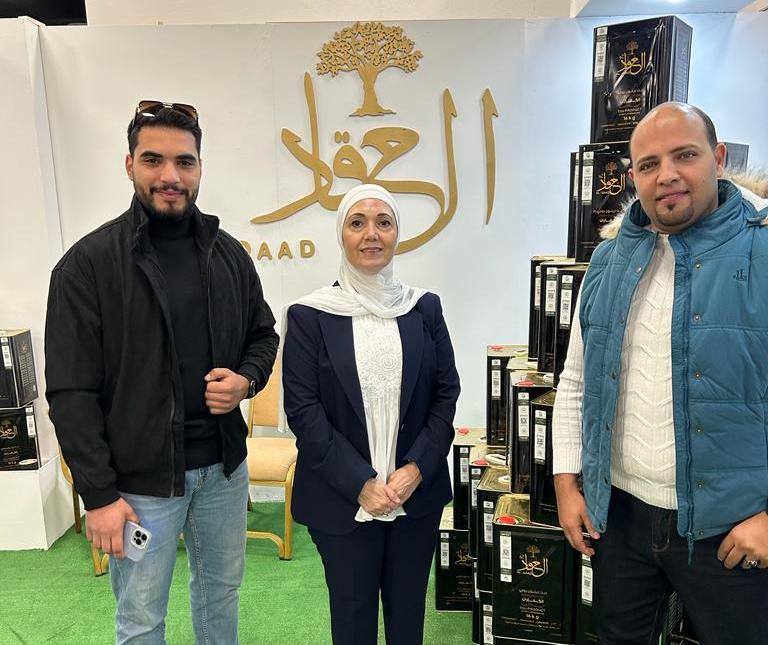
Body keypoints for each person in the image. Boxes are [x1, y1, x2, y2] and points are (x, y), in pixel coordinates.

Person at [45, 101, 279, 644]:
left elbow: (263, 336)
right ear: (130, 164)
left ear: (200, 168)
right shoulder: (87, 266)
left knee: (221, 596)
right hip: (140, 484)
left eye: (184, 161)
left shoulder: (228, 256)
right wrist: (99, 495)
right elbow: (71, 393)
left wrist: (245, 380)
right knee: (141, 617)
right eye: (153, 159)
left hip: (224, 472)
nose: (170, 175)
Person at [553, 102, 768, 644]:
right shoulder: (609, 260)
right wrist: (567, 483)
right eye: (649, 164)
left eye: (685, 155)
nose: (666, 174)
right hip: (622, 516)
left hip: (734, 524)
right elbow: (576, 381)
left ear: (718, 158)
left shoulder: (761, 249)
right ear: (634, 178)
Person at [282, 184, 460, 645]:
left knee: (408, 619)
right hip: (342, 501)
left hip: (414, 498)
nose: (371, 234)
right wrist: (360, 483)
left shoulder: (424, 308)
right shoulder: (309, 315)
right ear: (341, 234)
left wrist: (416, 469)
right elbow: (303, 411)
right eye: (357, 223)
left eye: (384, 222)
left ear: (398, 233)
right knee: (352, 619)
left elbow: (446, 394)